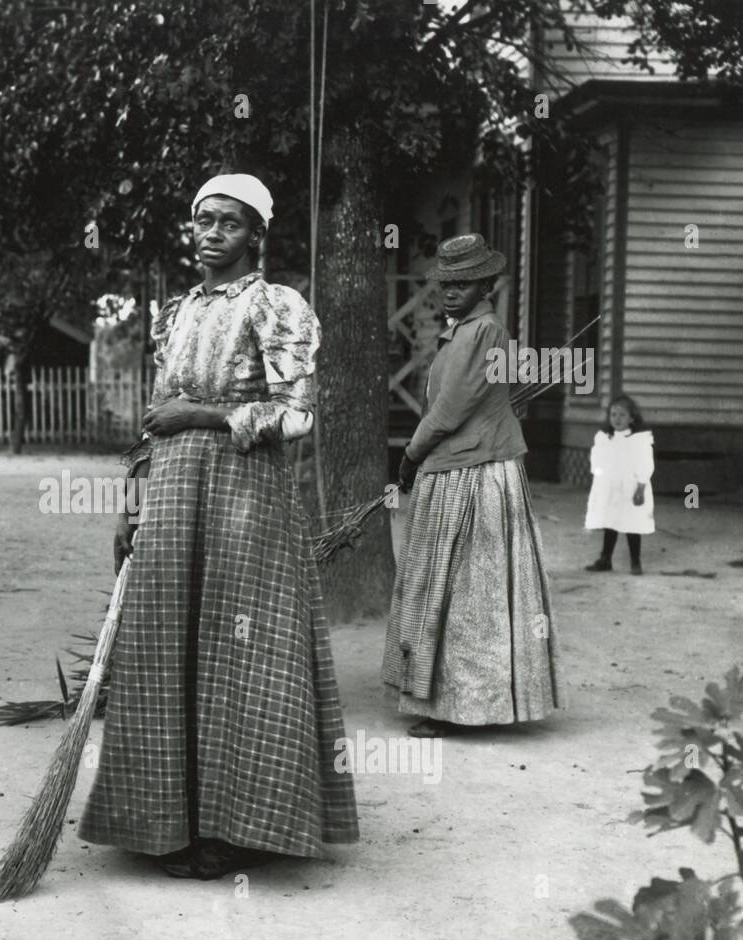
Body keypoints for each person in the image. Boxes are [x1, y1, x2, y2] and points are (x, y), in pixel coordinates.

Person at [77, 173, 359, 880]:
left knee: (242, 651)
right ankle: (168, 819)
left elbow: (298, 415)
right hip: (172, 492)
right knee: (168, 648)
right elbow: (155, 419)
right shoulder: (176, 313)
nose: (210, 234)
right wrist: (133, 503)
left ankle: (239, 829)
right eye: (202, 221)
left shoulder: (275, 306)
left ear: (255, 235)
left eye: (228, 223)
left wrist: (201, 418)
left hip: (244, 494)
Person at [383, 233, 565, 738]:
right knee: (463, 590)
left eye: (462, 283)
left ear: (485, 283)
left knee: (465, 592)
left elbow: (449, 409)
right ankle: (456, 699)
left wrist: (410, 454)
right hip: (465, 466)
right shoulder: (472, 331)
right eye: (445, 283)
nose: (449, 292)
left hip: (472, 473)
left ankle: (457, 705)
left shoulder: (480, 332)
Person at [584, 394, 654, 575]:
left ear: (632, 418)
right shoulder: (604, 438)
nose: (617, 419)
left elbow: (645, 464)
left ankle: (635, 561)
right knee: (610, 522)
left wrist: (641, 486)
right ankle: (605, 559)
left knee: (632, 524)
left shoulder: (639, 439)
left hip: (631, 488)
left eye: (622, 415)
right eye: (613, 414)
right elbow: (597, 460)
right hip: (610, 487)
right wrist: (600, 480)